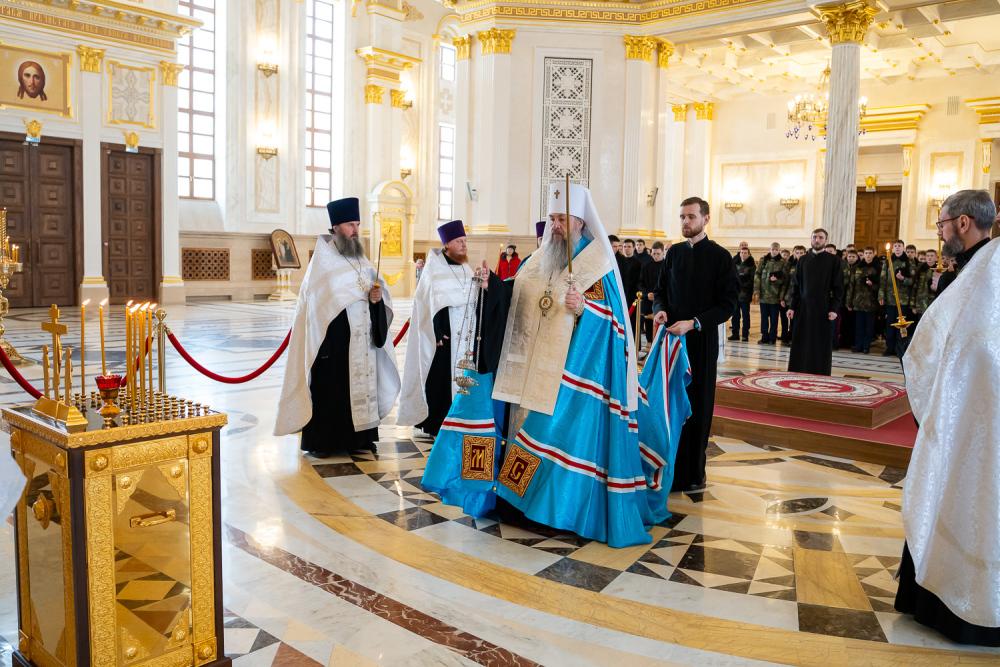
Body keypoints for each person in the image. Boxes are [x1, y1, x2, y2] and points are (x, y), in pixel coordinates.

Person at [490, 183, 650, 547]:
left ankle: (553, 511)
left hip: (573, 376)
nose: (556, 226)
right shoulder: (538, 259)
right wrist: (489, 287)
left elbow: (615, 323)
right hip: (533, 368)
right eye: (552, 219)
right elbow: (516, 294)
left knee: (552, 434)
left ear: (580, 221)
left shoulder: (596, 263)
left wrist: (585, 309)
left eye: (562, 219)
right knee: (525, 429)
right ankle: (517, 503)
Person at [895, 194, 998, 645]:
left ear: (963, 222)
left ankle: (956, 603)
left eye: (941, 224)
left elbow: (972, 345)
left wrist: (918, 354)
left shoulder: (986, 271)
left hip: (975, 408)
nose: (938, 232)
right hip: (969, 403)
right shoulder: (976, 268)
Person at [275, 197, 400, 455]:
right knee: (333, 391)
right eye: (350, 225)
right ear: (335, 227)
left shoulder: (361, 260)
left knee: (362, 388)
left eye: (358, 224)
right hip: (333, 345)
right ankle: (325, 443)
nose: (356, 230)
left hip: (363, 342)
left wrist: (376, 299)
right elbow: (316, 307)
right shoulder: (323, 263)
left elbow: (375, 293)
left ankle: (361, 439)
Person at [653, 197, 738, 494]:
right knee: (670, 404)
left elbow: (728, 305)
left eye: (691, 216)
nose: (685, 222)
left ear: (706, 218)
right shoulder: (674, 253)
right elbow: (660, 291)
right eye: (682, 217)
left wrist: (694, 323)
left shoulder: (720, 257)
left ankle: (693, 472)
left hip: (701, 341)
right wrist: (660, 310)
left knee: (697, 406)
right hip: (672, 341)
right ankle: (670, 469)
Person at [399, 221, 506, 437]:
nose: (464, 245)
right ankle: (437, 423)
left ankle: (460, 419)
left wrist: (484, 285)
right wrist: (437, 331)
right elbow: (428, 303)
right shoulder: (434, 269)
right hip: (444, 338)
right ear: (447, 244)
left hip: (466, 335)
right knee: (440, 380)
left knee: (464, 377)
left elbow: (474, 298)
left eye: (465, 241)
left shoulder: (465, 268)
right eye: (459, 241)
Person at [786, 228, 844, 375]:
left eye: (820, 237)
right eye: (814, 237)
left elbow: (838, 288)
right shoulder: (803, 260)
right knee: (801, 341)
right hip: (803, 308)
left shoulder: (834, 261)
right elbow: (796, 286)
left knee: (820, 342)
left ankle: (820, 372)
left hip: (823, 308)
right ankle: (798, 371)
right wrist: (792, 307)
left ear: (826, 240)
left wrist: (834, 309)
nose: (817, 240)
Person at [878, 239, 915, 356]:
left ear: (903, 248)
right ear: (893, 249)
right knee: (890, 324)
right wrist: (881, 295)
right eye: (896, 246)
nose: (897, 248)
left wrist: (903, 279)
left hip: (903, 299)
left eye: (899, 246)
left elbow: (913, 281)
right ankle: (890, 347)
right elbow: (883, 279)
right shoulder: (888, 261)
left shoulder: (909, 262)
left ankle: (900, 348)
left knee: (902, 326)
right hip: (890, 298)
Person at [848, 246, 879, 354]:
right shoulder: (857, 268)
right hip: (858, 301)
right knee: (859, 326)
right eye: (866, 253)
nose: (868, 255)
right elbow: (851, 285)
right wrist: (849, 301)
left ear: (874, 254)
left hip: (871, 302)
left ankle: (866, 346)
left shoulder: (877, 267)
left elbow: (880, 286)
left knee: (869, 327)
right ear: (863, 254)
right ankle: (858, 345)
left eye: (870, 253)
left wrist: (872, 285)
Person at [754, 242, 786, 344]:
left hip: (775, 296)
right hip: (763, 295)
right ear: (770, 249)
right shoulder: (763, 260)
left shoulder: (783, 262)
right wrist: (756, 291)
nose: (774, 251)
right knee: (764, 318)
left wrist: (777, 280)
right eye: (772, 249)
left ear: (779, 250)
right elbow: (757, 275)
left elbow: (785, 279)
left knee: (774, 319)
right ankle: (764, 337)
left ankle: (772, 338)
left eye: (776, 250)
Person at [638, 241, 666, 345]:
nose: (656, 256)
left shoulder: (668, 266)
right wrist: (647, 294)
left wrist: (658, 296)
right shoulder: (646, 266)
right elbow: (640, 283)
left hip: (663, 301)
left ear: (663, 253)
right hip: (648, 300)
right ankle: (649, 344)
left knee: (662, 325)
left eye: (658, 254)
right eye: (653, 253)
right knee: (649, 325)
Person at [779, 245, 805, 343]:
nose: (799, 255)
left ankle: (795, 338)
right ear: (794, 253)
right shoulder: (790, 265)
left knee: (796, 320)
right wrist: (782, 298)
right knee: (785, 318)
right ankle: (786, 336)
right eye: (797, 253)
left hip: (801, 297)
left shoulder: (807, 265)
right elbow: (785, 282)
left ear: (805, 253)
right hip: (788, 296)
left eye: (801, 253)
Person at [730, 246, 755, 342]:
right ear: (739, 253)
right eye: (742, 252)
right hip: (736, 295)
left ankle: (745, 335)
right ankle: (735, 334)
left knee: (745, 316)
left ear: (748, 254)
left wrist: (742, 284)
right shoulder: (735, 264)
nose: (743, 254)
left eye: (745, 253)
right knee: (735, 315)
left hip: (745, 295)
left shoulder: (752, 265)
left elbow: (752, 280)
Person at [838, 248, 859, 350]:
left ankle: (851, 341)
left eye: (853, 257)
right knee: (843, 322)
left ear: (857, 258)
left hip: (854, 299)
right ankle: (843, 341)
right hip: (843, 298)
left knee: (852, 322)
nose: (851, 258)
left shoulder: (858, 268)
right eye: (849, 256)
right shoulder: (843, 267)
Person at [618, 238, 642, 307]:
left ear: (634, 248)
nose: (626, 248)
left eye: (629, 246)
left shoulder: (638, 263)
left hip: (632, 294)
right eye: (624, 246)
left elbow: (638, 281)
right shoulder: (618, 261)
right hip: (619, 292)